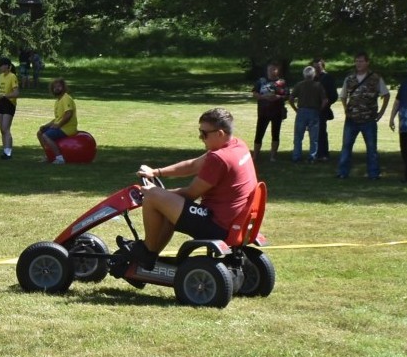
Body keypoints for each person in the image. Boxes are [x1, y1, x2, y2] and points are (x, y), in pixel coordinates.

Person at [118, 108, 258, 269]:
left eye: (204, 133)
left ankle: (146, 251)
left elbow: (191, 194)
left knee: (152, 197)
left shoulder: (219, 159)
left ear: (220, 133)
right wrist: (156, 172)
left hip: (217, 225)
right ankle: (150, 255)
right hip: (234, 222)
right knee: (164, 204)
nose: (200, 137)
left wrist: (157, 195)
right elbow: (193, 165)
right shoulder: (236, 145)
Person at [336, 52, 390, 179]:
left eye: (361, 61)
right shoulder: (349, 78)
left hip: (369, 119)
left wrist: (381, 112)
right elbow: (343, 96)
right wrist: (346, 109)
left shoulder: (375, 78)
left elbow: (386, 95)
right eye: (357, 61)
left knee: (371, 148)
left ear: (367, 62)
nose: (358, 64)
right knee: (346, 147)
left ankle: (373, 174)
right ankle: (342, 173)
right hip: (351, 119)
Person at [289, 66, 328, 163]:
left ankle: (296, 157)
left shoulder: (299, 85)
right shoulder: (318, 85)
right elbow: (325, 100)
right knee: (314, 138)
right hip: (314, 111)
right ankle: (312, 157)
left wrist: (296, 109)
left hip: (301, 111)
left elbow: (291, 99)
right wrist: (319, 110)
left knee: (298, 136)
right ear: (314, 75)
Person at [251, 61, 288, 162]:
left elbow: (286, 95)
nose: (272, 71)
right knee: (259, 133)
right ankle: (255, 156)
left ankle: (273, 156)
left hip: (277, 112)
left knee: (275, 134)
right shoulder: (261, 81)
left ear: (277, 70)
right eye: (270, 69)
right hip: (263, 112)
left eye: (274, 69)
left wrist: (277, 97)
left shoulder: (282, 82)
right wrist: (263, 97)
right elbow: (254, 93)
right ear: (267, 70)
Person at [36, 77, 77, 165]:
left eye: (59, 86)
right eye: (55, 87)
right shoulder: (58, 101)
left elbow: (68, 114)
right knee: (40, 133)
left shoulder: (66, 98)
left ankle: (59, 158)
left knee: (46, 136)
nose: (57, 88)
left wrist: (58, 125)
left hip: (67, 128)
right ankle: (49, 155)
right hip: (61, 126)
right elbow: (57, 118)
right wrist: (46, 125)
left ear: (63, 87)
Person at [312, 57, 338, 161]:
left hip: (323, 109)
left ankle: (323, 154)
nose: (316, 69)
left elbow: (334, 96)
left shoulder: (328, 78)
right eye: (314, 67)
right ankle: (315, 153)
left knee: (322, 131)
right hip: (312, 108)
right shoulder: (312, 78)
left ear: (322, 66)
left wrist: (326, 104)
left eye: (318, 67)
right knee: (313, 132)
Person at [0, 56, 20, 159]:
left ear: (7, 66)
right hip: (0, 103)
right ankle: (5, 151)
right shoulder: (1, 76)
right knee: (2, 129)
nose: (0, 67)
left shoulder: (12, 76)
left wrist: (5, 96)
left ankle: (9, 152)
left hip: (9, 103)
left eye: (1, 65)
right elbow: (0, 93)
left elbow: (16, 93)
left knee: (6, 128)